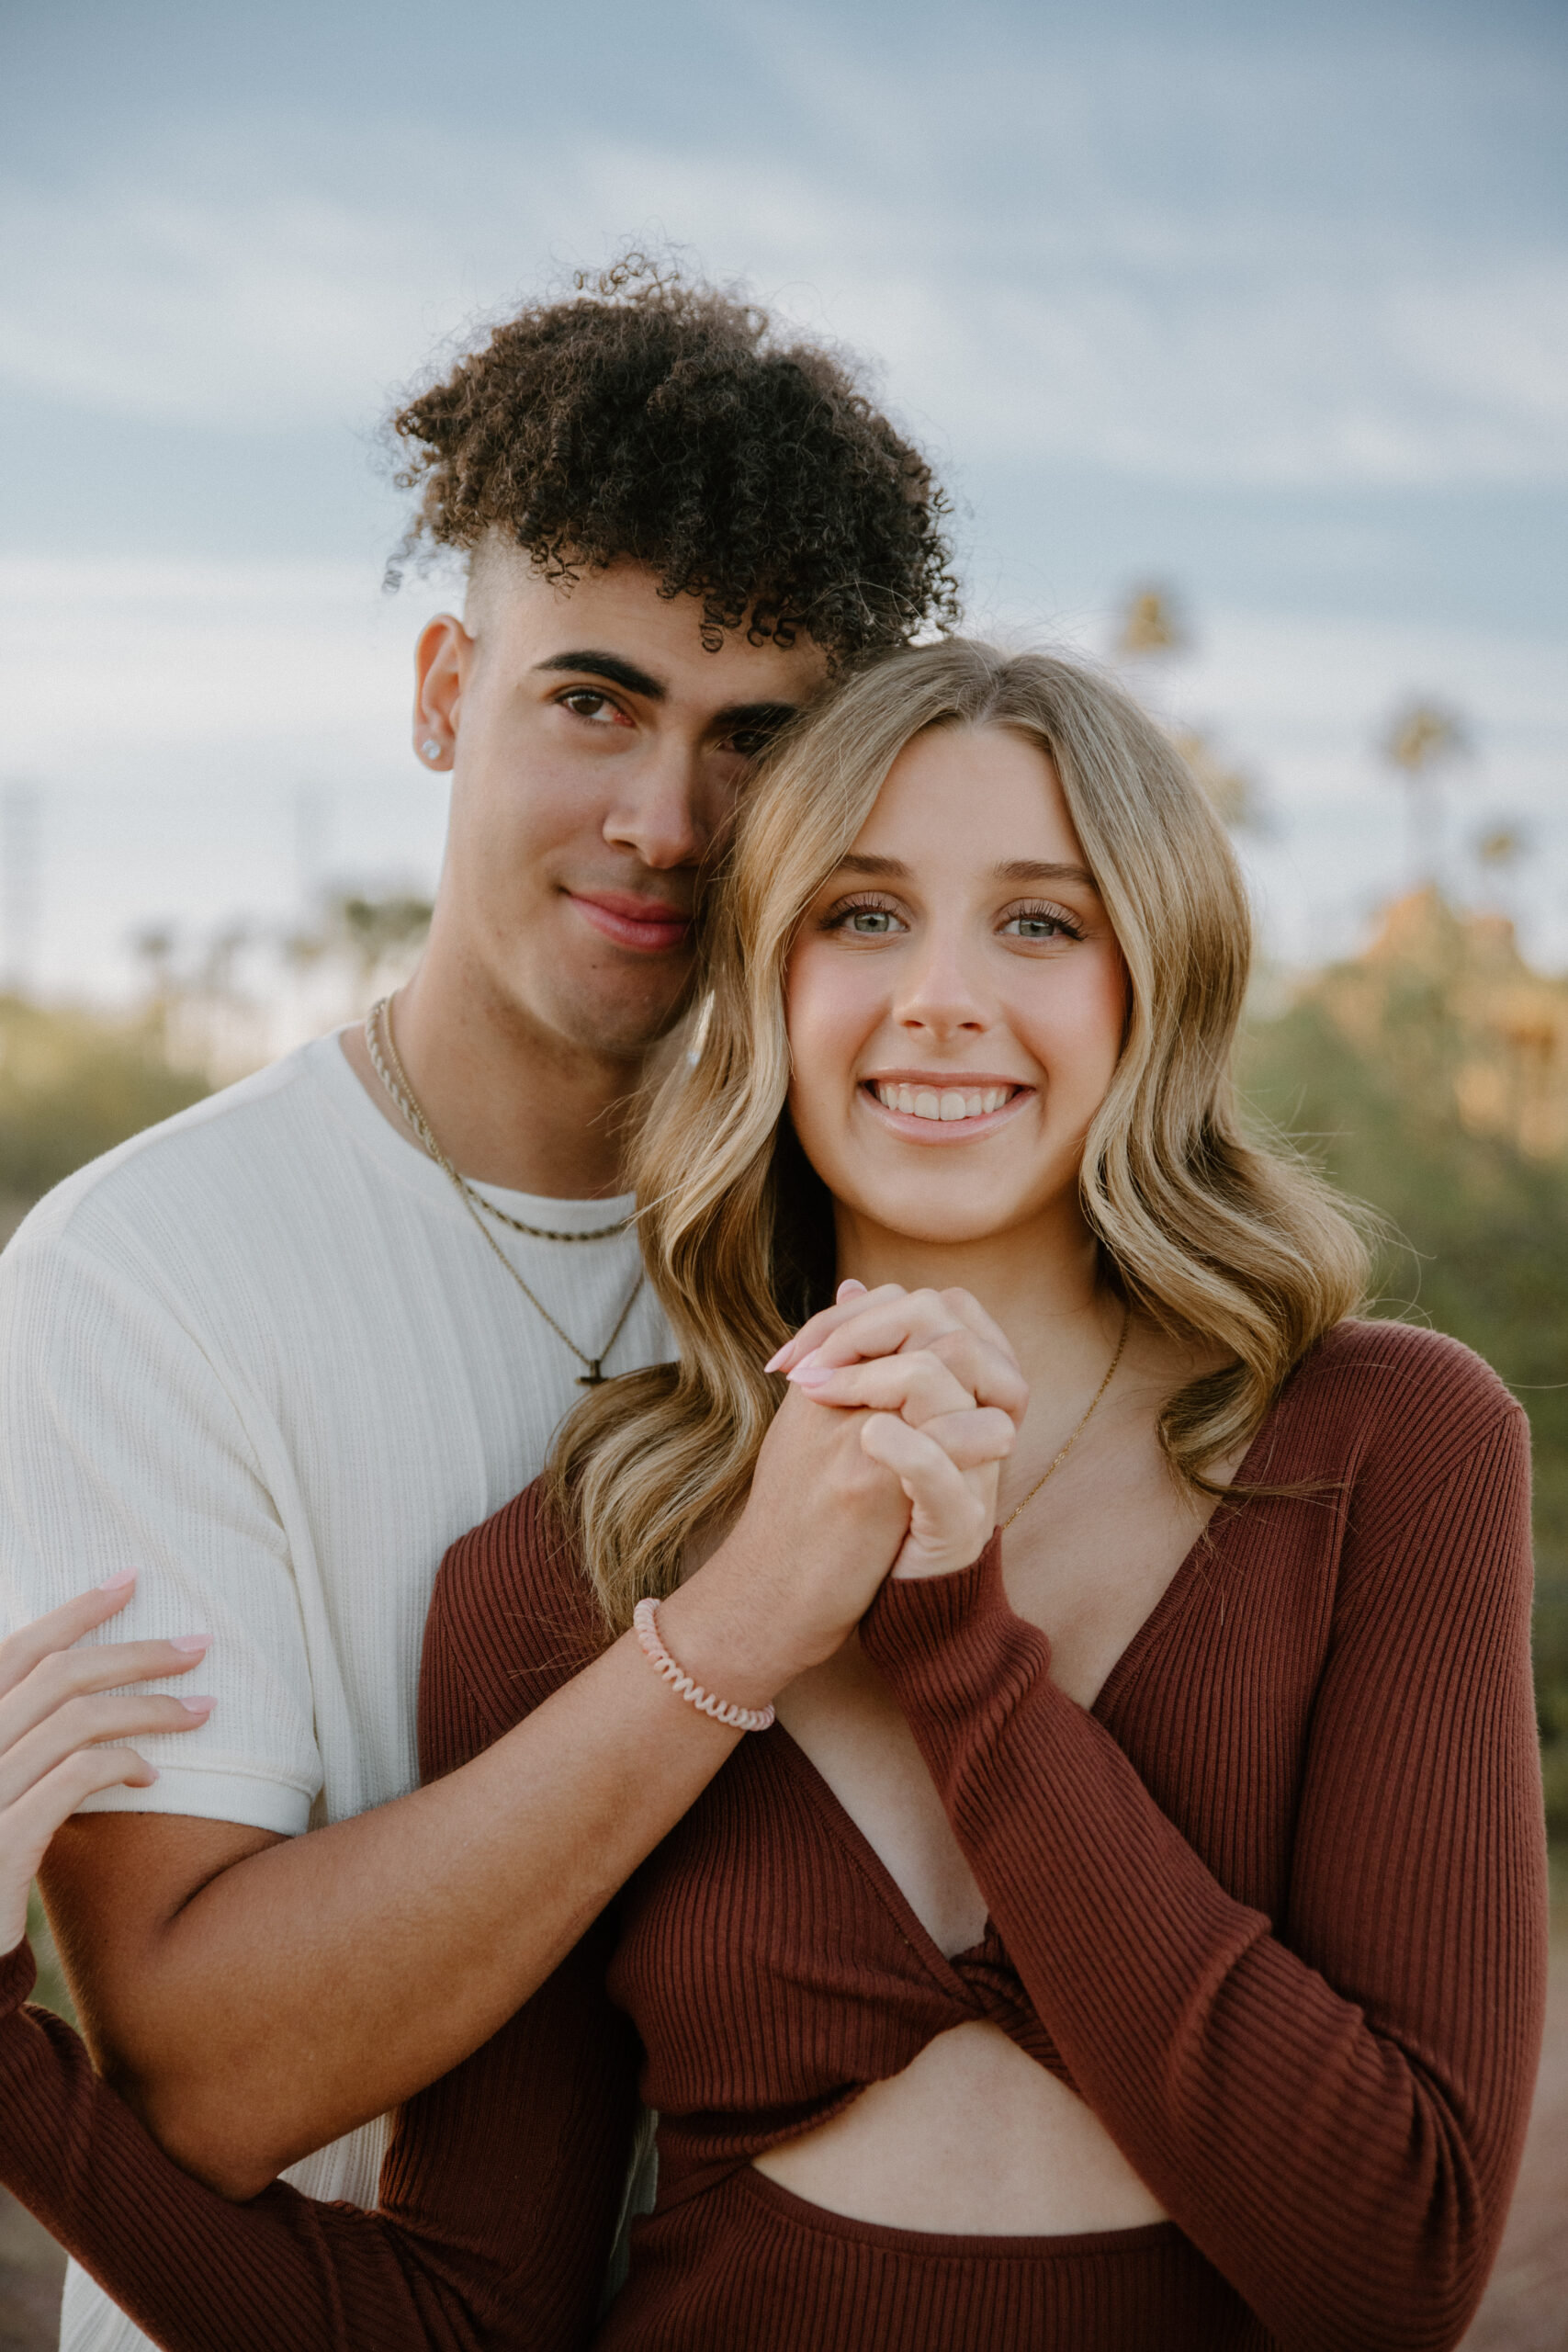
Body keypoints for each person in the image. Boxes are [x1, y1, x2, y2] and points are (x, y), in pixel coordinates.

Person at [0, 639, 1548, 2351]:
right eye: (863, 915)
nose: (942, 994)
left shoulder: (1384, 1448)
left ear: (1153, 982)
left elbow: (1396, 2265)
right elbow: (459, 2318)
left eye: (1041, 921)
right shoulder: (592, 1546)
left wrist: (957, 1646)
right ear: (763, 982)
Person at [0, 253, 960, 2352]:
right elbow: (213, 2068)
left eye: (755, 738)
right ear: (446, 689)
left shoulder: (882, 1245)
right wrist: (723, 1635)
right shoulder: (139, 1276)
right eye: (592, 697)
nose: (663, 819)